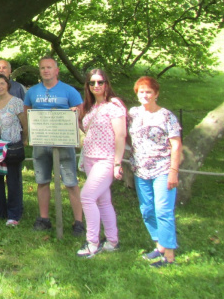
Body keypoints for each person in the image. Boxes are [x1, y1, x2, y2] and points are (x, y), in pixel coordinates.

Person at [24, 56, 85, 235]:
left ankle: (78, 222)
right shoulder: (32, 92)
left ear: (56, 70)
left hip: (63, 142)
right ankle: (44, 219)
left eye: (49, 67)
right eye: (42, 68)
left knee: (70, 181)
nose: (46, 71)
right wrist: (27, 135)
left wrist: (75, 113)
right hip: (41, 141)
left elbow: (80, 113)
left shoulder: (69, 91)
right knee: (42, 180)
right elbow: (27, 115)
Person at [128, 76, 182, 268]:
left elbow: (176, 145)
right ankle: (159, 246)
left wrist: (173, 171)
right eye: (141, 91)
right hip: (140, 170)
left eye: (149, 92)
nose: (145, 95)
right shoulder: (133, 114)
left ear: (156, 94)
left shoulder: (166, 116)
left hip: (162, 169)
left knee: (163, 211)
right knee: (147, 210)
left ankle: (169, 256)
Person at [77, 69, 126, 257]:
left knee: (87, 197)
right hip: (89, 158)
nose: (96, 86)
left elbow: (120, 135)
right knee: (103, 201)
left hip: (106, 159)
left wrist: (117, 163)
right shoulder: (91, 107)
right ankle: (112, 240)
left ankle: (92, 243)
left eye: (100, 82)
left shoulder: (114, 107)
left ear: (107, 83)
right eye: (92, 83)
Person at [0, 74, 28, 226]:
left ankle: (14, 214)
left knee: (13, 181)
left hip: (11, 147)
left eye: (2, 84)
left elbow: (25, 123)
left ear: (8, 85)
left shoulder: (16, 102)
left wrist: (24, 140)